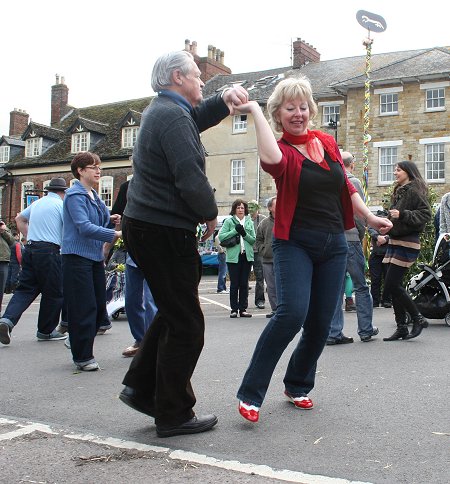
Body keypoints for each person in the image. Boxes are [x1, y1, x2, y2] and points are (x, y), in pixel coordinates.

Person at [232, 76, 391, 423]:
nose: (298, 113)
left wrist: (368, 216)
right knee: (291, 314)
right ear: (278, 114)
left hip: (334, 242)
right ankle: (251, 392)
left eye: (303, 106)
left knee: (321, 323)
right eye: (290, 108)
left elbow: (345, 186)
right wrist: (255, 111)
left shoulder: (326, 141)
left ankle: (297, 384)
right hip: (295, 242)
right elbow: (271, 158)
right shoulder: (282, 150)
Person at [117, 50, 249, 438]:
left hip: (150, 227)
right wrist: (211, 213)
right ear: (177, 77)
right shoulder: (171, 116)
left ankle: (142, 389)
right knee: (187, 324)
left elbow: (195, 118)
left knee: (173, 314)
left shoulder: (166, 111)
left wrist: (223, 103)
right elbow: (190, 174)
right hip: (162, 230)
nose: (202, 81)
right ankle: (173, 413)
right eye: (196, 75)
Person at [61, 152, 121, 371]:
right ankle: (83, 356)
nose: (98, 171)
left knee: (98, 308)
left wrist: (109, 220)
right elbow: (84, 227)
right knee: (84, 307)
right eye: (93, 167)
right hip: (76, 258)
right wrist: (115, 234)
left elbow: (98, 221)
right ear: (80, 170)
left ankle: (77, 339)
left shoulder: (93, 195)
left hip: (94, 258)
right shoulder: (75, 195)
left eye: (99, 167)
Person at [0, 178, 69, 346]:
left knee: (25, 289)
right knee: (54, 292)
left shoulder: (38, 203)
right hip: (50, 250)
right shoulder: (61, 205)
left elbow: (19, 219)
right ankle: (45, 331)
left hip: (31, 248)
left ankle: (7, 320)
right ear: (63, 192)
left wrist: (30, 235)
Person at [327, 152, 378, 345]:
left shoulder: (328, 179)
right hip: (350, 238)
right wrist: (360, 233)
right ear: (352, 165)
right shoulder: (352, 181)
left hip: (332, 237)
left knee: (336, 288)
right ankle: (366, 329)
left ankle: (334, 332)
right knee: (361, 286)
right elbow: (359, 213)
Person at [382, 161, 431, 341]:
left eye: (398, 170)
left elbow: (426, 214)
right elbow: (395, 217)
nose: (395, 172)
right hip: (395, 241)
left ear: (408, 172)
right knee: (393, 286)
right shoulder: (399, 191)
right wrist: (386, 227)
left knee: (391, 285)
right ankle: (401, 327)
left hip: (408, 242)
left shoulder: (414, 190)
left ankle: (418, 318)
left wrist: (402, 215)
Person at [111, 179, 157, 358]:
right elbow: (116, 216)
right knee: (131, 300)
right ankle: (140, 339)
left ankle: (152, 343)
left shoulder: (160, 182)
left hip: (156, 250)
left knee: (151, 300)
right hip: (133, 250)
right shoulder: (127, 187)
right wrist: (108, 247)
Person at [219, 199, 256, 318]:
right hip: (233, 257)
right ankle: (234, 309)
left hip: (247, 256)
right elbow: (221, 236)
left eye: (242, 208)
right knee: (234, 284)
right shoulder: (229, 221)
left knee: (244, 283)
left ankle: (243, 309)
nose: (240, 210)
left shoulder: (249, 221)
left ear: (245, 210)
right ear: (234, 209)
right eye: (238, 207)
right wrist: (235, 230)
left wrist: (244, 233)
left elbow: (253, 240)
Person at [255, 196, 277, 318]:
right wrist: (263, 250)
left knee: (282, 286)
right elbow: (258, 239)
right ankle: (275, 310)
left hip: (282, 260)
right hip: (267, 260)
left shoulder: (286, 220)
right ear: (270, 208)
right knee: (271, 286)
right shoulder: (264, 223)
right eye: (276, 204)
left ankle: (283, 310)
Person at [368, 221, 392, 308]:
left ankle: (386, 300)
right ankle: (376, 300)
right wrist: (378, 237)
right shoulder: (373, 225)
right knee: (375, 279)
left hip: (387, 255)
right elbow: (370, 230)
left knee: (387, 279)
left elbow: (396, 233)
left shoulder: (391, 225)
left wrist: (385, 238)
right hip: (376, 255)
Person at [248, 200, 266, 309]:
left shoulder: (263, 219)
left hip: (258, 253)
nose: (250, 209)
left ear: (257, 207)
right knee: (244, 278)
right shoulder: (245, 219)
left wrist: (262, 248)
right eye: (248, 207)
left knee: (260, 277)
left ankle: (260, 300)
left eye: (252, 207)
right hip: (246, 251)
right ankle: (243, 302)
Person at [0, 222, 15, 309]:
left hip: (3, 261)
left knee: (1, 288)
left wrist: (3, 231)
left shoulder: (3, 227)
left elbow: (12, 241)